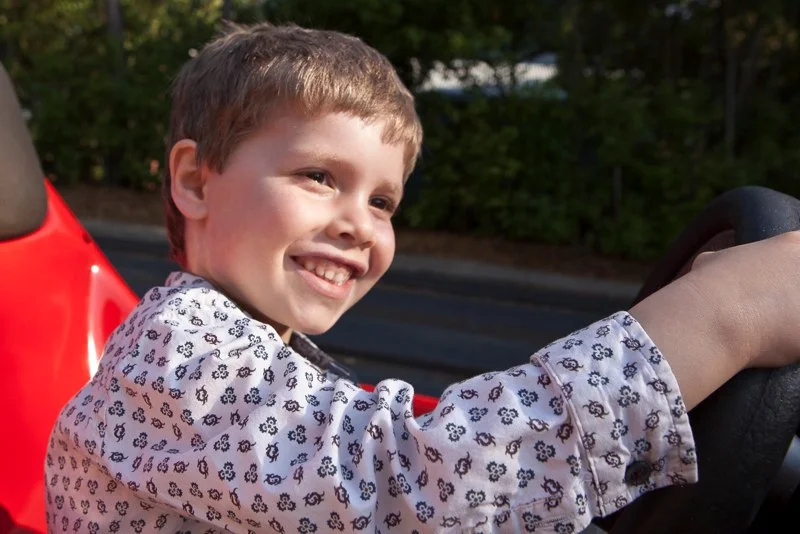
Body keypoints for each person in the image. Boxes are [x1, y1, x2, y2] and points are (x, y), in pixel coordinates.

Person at [43, 22, 800, 534]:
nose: (359, 224)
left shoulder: (254, 354)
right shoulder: (176, 355)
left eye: (383, 202)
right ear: (195, 181)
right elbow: (417, 485)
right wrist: (724, 315)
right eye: (319, 176)